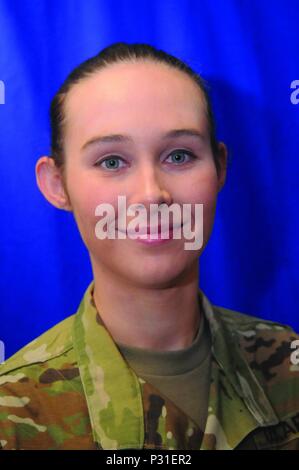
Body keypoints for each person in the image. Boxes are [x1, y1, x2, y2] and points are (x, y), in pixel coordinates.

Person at [0, 42, 298, 451]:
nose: (151, 194)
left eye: (179, 155)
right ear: (57, 184)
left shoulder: (289, 364)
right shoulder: (14, 413)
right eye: (111, 162)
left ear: (220, 167)